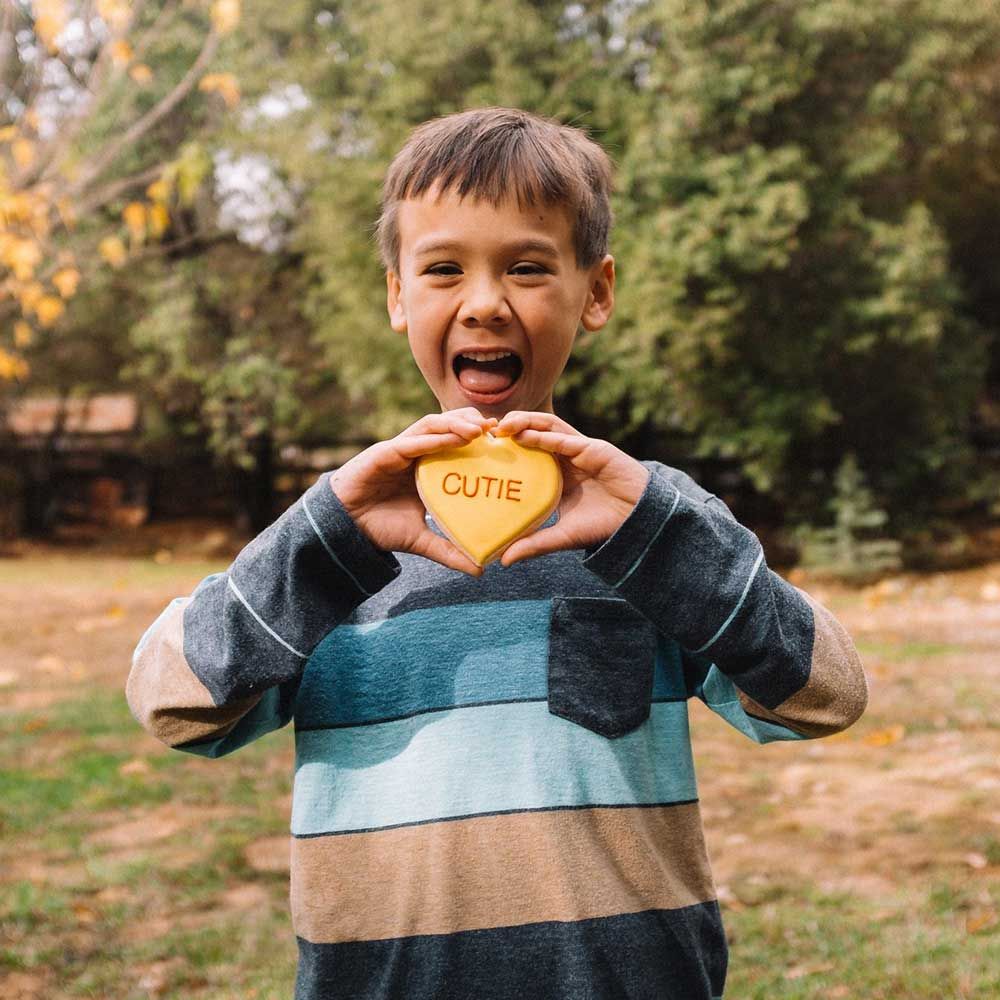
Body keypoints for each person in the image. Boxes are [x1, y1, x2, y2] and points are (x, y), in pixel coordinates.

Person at [126, 106, 868, 1000]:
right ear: (398, 293)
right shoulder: (337, 538)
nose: (484, 301)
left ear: (594, 292)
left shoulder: (650, 526)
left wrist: (662, 537)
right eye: (443, 269)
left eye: (526, 266)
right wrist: (322, 545)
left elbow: (827, 695)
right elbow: (173, 706)